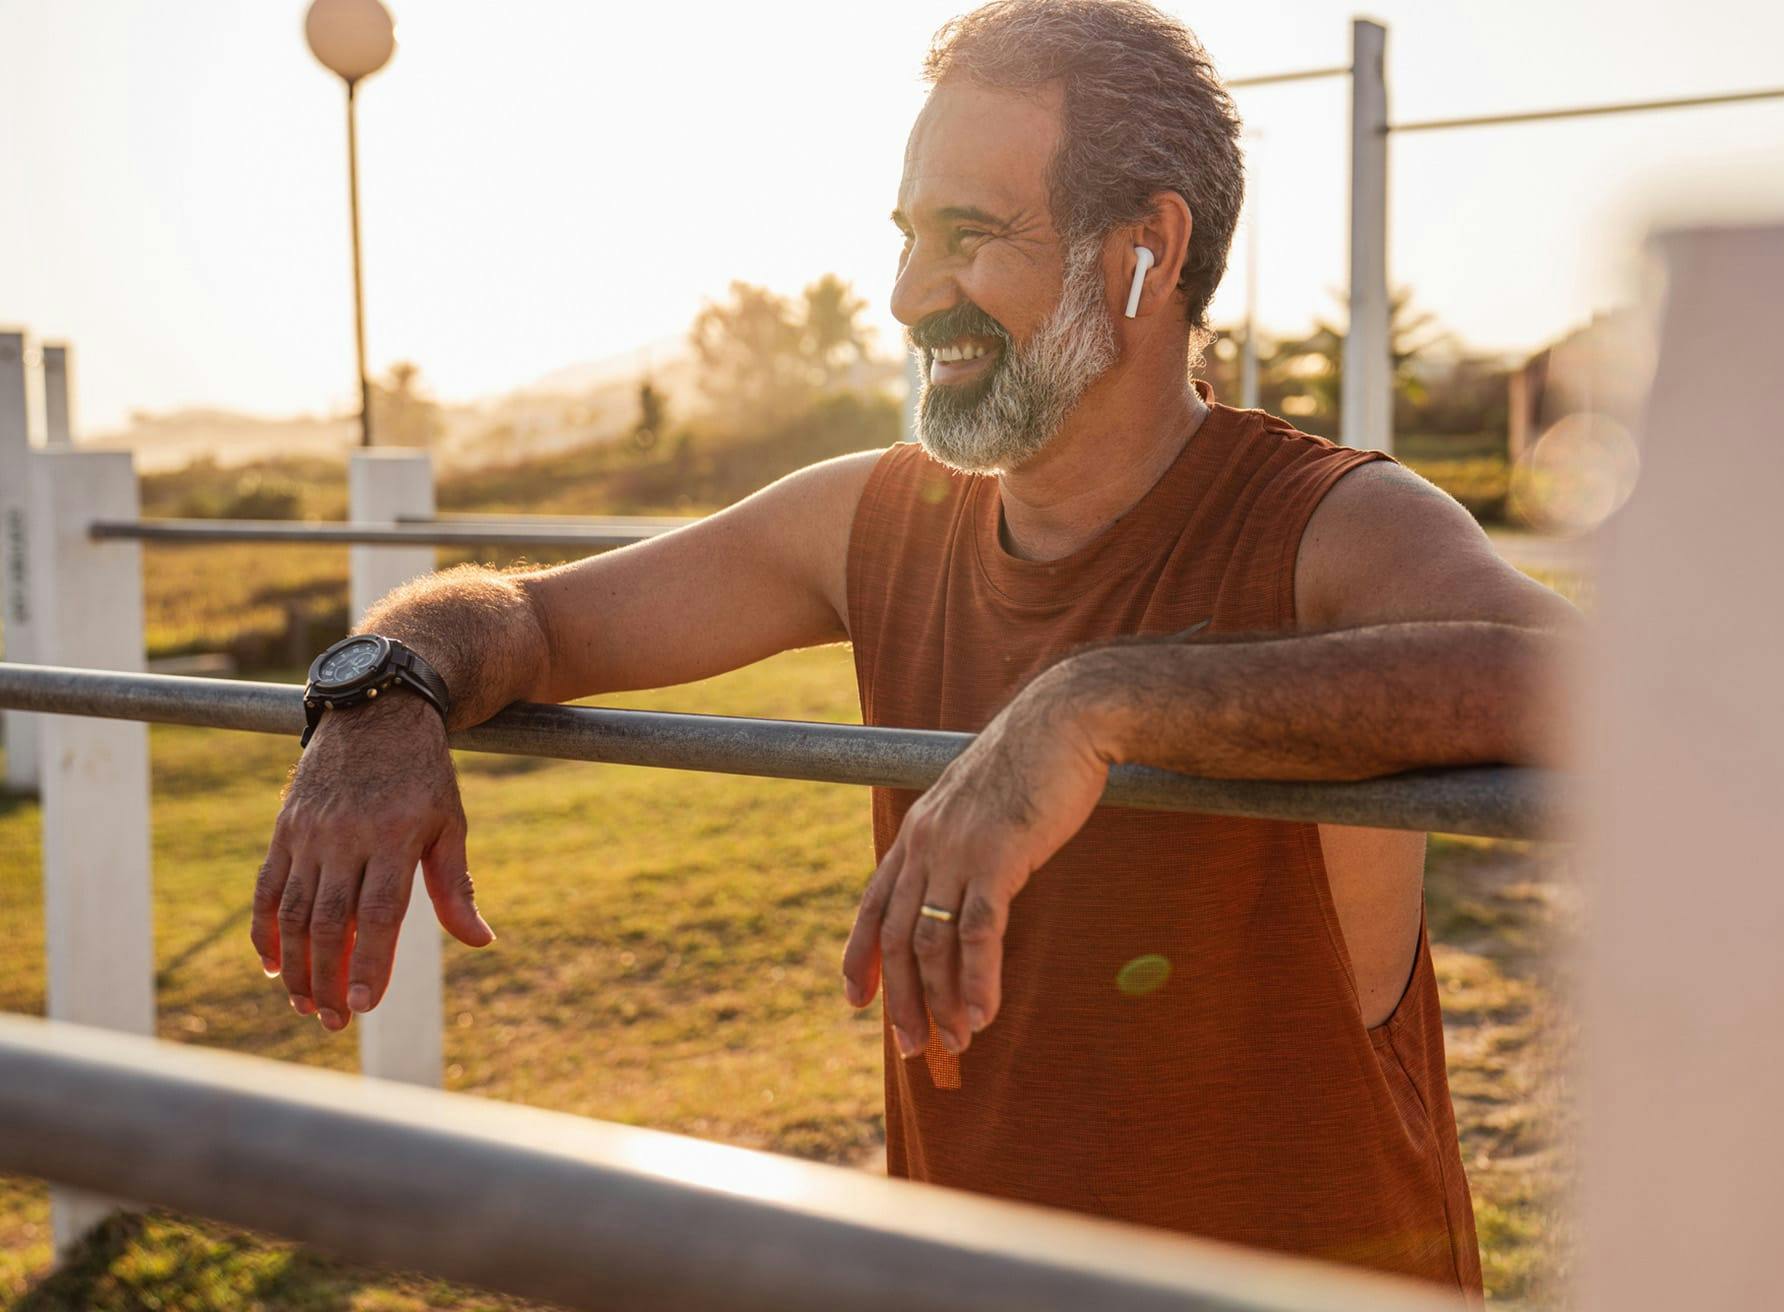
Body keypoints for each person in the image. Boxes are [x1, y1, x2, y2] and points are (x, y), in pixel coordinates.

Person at [253, 0, 1576, 1298]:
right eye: (907, 237)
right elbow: (532, 620)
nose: (903, 297)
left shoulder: (1326, 523)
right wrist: (383, 693)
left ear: (1146, 251)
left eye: (969, 237)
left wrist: (1099, 705)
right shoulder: (876, 517)